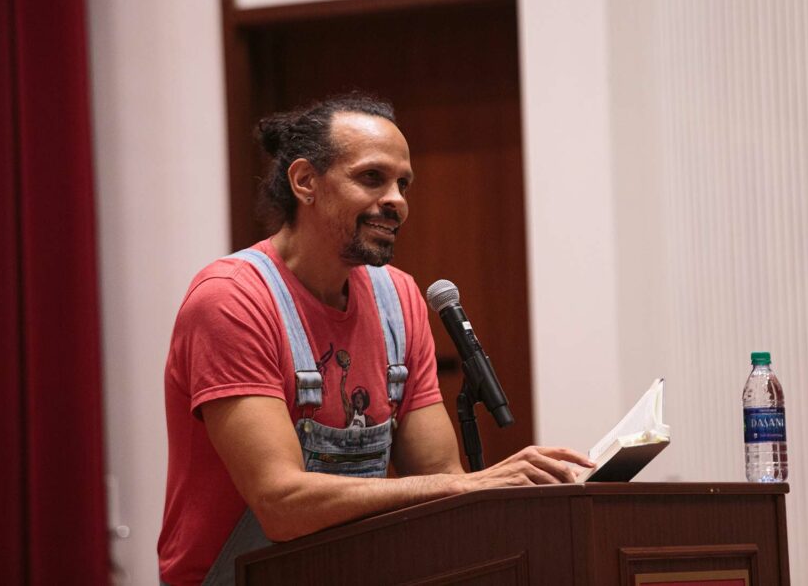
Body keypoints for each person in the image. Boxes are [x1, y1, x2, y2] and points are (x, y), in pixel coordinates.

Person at [157, 93, 593, 585]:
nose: (397, 200)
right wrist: (468, 487)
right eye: (372, 178)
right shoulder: (232, 300)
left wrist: (493, 491)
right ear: (305, 182)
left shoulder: (400, 299)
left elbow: (440, 480)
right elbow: (281, 505)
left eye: (403, 183)